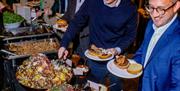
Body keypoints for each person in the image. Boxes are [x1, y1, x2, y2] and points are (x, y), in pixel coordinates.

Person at [58, 0, 137, 90]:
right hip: (96, 57)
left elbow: (130, 35)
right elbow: (76, 22)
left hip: (118, 60)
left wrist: (117, 49)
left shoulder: (130, 7)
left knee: (116, 87)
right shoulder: (92, 1)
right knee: (95, 87)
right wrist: (64, 44)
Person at [133, 0, 180, 91]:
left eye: (161, 9)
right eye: (150, 7)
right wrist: (129, 65)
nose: (154, 15)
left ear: (176, 6)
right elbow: (143, 51)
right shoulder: (151, 24)